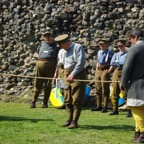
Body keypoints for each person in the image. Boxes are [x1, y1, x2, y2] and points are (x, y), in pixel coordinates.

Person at [54, 34, 86, 129]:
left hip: (77, 76)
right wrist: (57, 74)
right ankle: (69, 119)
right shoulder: (61, 51)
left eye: (61, 45)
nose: (60, 47)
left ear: (67, 42)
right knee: (67, 100)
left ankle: (74, 121)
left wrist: (72, 74)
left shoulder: (78, 47)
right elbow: (59, 64)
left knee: (76, 100)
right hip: (64, 75)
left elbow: (80, 64)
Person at [121, 28, 144, 143]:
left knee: (136, 109)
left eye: (130, 39)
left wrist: (123, 83)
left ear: (135, 37)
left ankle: (142, 134)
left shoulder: (135, 48)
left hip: (137, 84)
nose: (130, 42)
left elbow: (127, 68)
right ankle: (137, 133)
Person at [30, 31, 59, 108]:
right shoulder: (41, 44)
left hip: (51, 64)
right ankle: (33, 102)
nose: (47, 38)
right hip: (40, 63)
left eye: (49, 36)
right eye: (46, 36)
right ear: (44, 38)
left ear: (51, 37)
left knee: (48, 84)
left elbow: (58, 57)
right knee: (37, 83)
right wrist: (35, 55)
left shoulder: (55, 45)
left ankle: (45, 103)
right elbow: (36, 52)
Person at [91, 38, 113, 113]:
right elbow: (98, 60)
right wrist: (97, 68)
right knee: (98, 87)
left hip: (105, 69)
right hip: (99, 69)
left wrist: (108, 70)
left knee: (105, 88)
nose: (101, 46)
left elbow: (111, 62)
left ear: (106, 44)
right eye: (100, 44)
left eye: (102, 44)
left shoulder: (109, 52)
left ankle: (105, 106)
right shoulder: (99, 52)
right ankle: (98, 105)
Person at [108, 39, 128, 115]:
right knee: (115, 92)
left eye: (121, 46)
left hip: (123, 72)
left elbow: (124, 63)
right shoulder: (116, 54)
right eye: (118, 46)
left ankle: (129, 110)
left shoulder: (127, 54)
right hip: (116, 72)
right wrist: (117, 63)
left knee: (125, 91)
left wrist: (117, 62)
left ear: (124, 45)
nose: (120, 47)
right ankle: (115, 109)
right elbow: (112, 63)